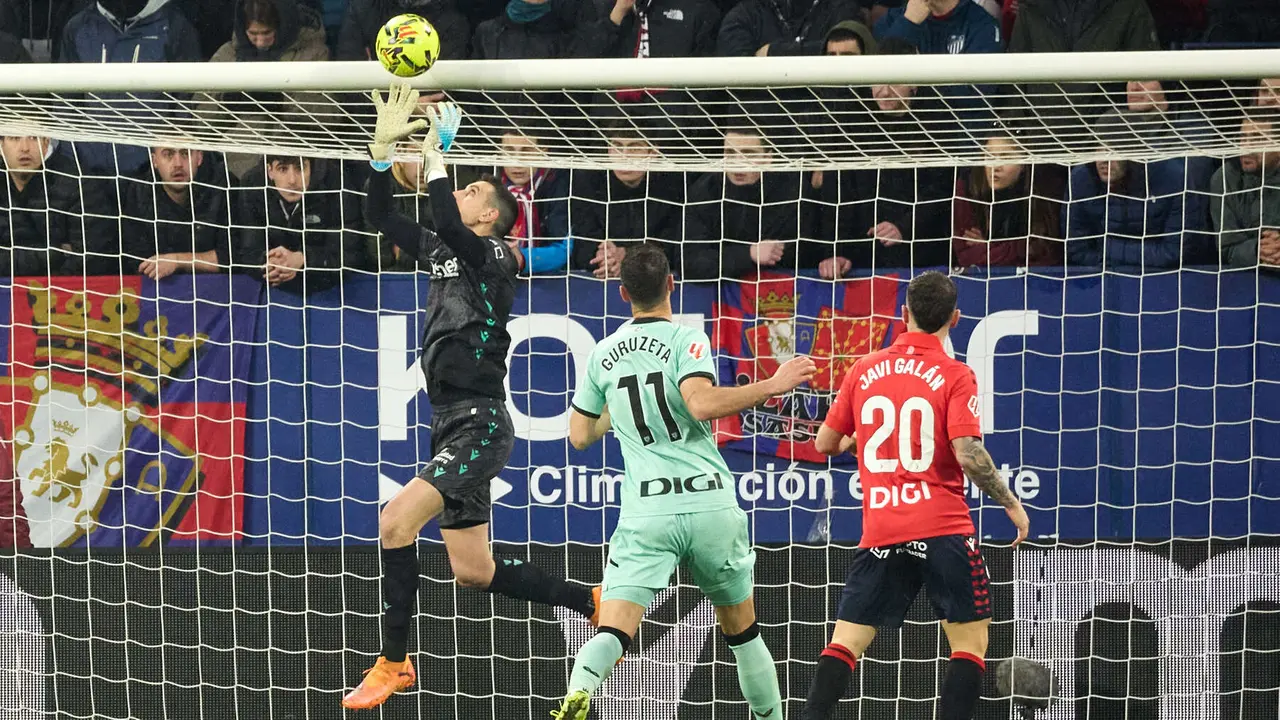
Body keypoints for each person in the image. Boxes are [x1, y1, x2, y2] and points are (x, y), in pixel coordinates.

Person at [342, 86, 599, 710]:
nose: (462, 191)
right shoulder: (444, 249)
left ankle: (393, 660)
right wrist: (381, 152)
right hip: (447, 420)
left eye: (473, 190)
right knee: (474, 571)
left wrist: (437, 153)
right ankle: (589, 599)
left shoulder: (493, 256)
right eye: (461, 184)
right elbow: (381, 216)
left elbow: (448, 224)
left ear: (490, 216)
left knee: (393, 522)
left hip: (480, 426)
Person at [552, 243, 816, 720]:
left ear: (622, 292)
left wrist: (624, 400)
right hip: (708, 502)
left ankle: (580, 689)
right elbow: (699, 403)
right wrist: (772, 385)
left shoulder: (604, 354)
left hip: (647, 511)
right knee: (742, 628)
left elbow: (579, 435)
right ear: (671, 284)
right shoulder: (686, 339)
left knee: (613, 629)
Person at [803, 271, 1030, 720]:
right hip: (943, 526)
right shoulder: (955, 373)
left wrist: (855, 441)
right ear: (955, 319)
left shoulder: (864, 368)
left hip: (883, 527)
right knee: (968, 643)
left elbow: (825, 443)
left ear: (903, 314)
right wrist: (1010, 503)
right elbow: (967, 453)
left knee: (846, 640)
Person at [120, 146, 237, 279]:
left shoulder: (225, 186)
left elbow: (236, 256)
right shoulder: (138, 193)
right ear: (154, 161)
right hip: (160, 286)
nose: (178, 164)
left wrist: (177, 261)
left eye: (185, 154)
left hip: (219, 286)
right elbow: (137, 261)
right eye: (168, 154)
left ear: (199, 157)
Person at [952, 132, 1063, 268]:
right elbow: (967, 255)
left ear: (1023, 163)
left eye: (1005, 157)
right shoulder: (967, 187)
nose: (995, 166)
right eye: (989, 156)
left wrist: (989, 247)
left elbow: (1044, 253)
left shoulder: (1041, 190)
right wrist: (1019, 249)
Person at [1212, 114, 1280, 270]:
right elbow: (1227, 249)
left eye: (1257, 139)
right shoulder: (1225, 178)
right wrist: (1257, 249)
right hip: (1248, 275)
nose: (1246, 146)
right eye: (1242, 137)